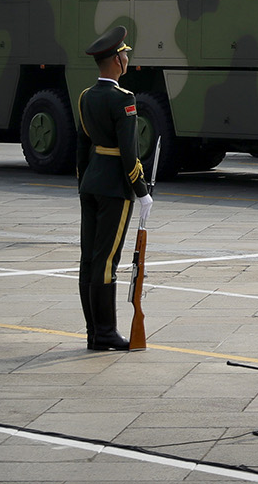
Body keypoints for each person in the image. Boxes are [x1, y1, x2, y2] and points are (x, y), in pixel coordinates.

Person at [77, 26, 152, 351]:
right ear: (116, 61)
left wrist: (83, 182)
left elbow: (82, 146)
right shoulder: (123, 99)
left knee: (89, 260)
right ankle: (106, 332)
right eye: (124, 54)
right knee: (106, 261)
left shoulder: (86, 96)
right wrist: (141, 190)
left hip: (91, 184)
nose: (127, 58)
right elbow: (128, 153)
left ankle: (94, 332)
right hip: (114, 188)